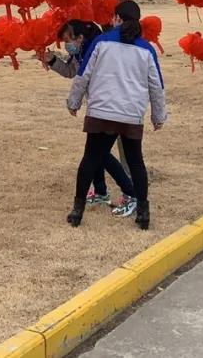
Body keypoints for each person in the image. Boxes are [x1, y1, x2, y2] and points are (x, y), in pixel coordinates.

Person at [65, 0, 166, 230]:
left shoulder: (101, 42)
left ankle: (77, 210)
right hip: (131, 113)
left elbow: (83, 74)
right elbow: (156, 86)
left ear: (118, 18)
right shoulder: (146, 49)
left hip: (102, 110)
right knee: (136, 162)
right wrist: (158, 116)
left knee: (90, 158)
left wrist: (74, 102)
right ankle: (143, 212)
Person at [39, 20, 137, 217]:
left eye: (68, 40)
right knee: (96, 151)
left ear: (80, 37)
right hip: (98, 107)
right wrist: (52, 60)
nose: (67, 45)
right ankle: (101, 191)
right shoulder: (82, 51)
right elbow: (72, 71)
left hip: (111, 105)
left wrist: (73, 102)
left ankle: (131, 193)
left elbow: (82, 77)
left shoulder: (99, 50)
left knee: (98, 153)